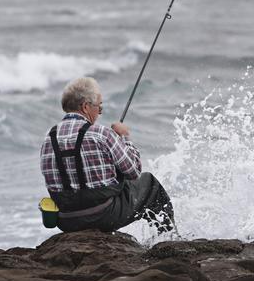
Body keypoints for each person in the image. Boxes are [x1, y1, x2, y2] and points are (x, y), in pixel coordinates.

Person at [40, 77, 174, 234]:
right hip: (104, 215)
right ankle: (167, 240)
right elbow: (133, 171)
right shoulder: (101, 134)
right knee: (150, 185)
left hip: (66, 220)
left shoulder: (48, 139)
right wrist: (124, 137)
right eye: (99, 107)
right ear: (85, 107)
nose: (99, 113)